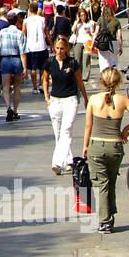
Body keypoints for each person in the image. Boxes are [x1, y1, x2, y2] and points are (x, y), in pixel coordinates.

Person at [81, 67, 129, 233]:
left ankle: (104, 221)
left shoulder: (94, 100)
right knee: (111, 181)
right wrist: (126, 130)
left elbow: (88, 125)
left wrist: (85, 146)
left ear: (101, 82)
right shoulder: (123, 100)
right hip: (115, 145)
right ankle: (110, 213)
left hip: (97, 144)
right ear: (118, 83)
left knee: (101, 183)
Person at [43, 36, 89, 176]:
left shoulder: (73, 63)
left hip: (70, 99)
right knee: (58, 132)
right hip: (55, 100)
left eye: (62, 48)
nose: (59, 51)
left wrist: (86, 98)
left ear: (67, 49)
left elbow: (80, 82)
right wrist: (47, 98)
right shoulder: (50, 62)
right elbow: (44, 80)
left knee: (66, 130)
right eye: (57, 48)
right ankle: (68, 160)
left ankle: (56, 162)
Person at [0, 11, 28, 121]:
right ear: (17, 20)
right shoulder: (19, 33)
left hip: (5, 60)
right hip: (17, 59)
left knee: (6, 86)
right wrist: (25, 67)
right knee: (17, 86)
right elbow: (23, 52)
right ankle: (15, 110)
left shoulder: (2, 32)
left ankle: (8, 107)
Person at [23, 2, 49, 95]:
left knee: (33, 69)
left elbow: (23, 34)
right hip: (42, 46)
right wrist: (51, 44)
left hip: (31, 47)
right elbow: (46, 32)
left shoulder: (26, 21)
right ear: (37, 9)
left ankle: (34, 87)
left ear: (30, 10)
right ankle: (41, 84)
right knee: (42, 68)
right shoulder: (42, 19)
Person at [91, 4, 123, 73]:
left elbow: (96, 33)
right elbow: (120, 35)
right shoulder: (116, 20)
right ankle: (112, 77)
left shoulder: (100, 19)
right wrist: (120, 46)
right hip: (113, 43)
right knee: (113, 63)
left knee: (103, 62)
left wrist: (92, 44)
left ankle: (105, 78)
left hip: (103, 43)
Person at [71, 7, 95, 81]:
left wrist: (90, 33)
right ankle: (78, 74)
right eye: (81, 15)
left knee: (86, 59)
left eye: (84, 15)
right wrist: (78, 21)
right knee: (77, 59)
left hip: (87, 41)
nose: (83, 17)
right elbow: (73, 30)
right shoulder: (77, 23)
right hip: (79, 41)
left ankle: (85, 76)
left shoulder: (90, 23)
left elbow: (93, 33)